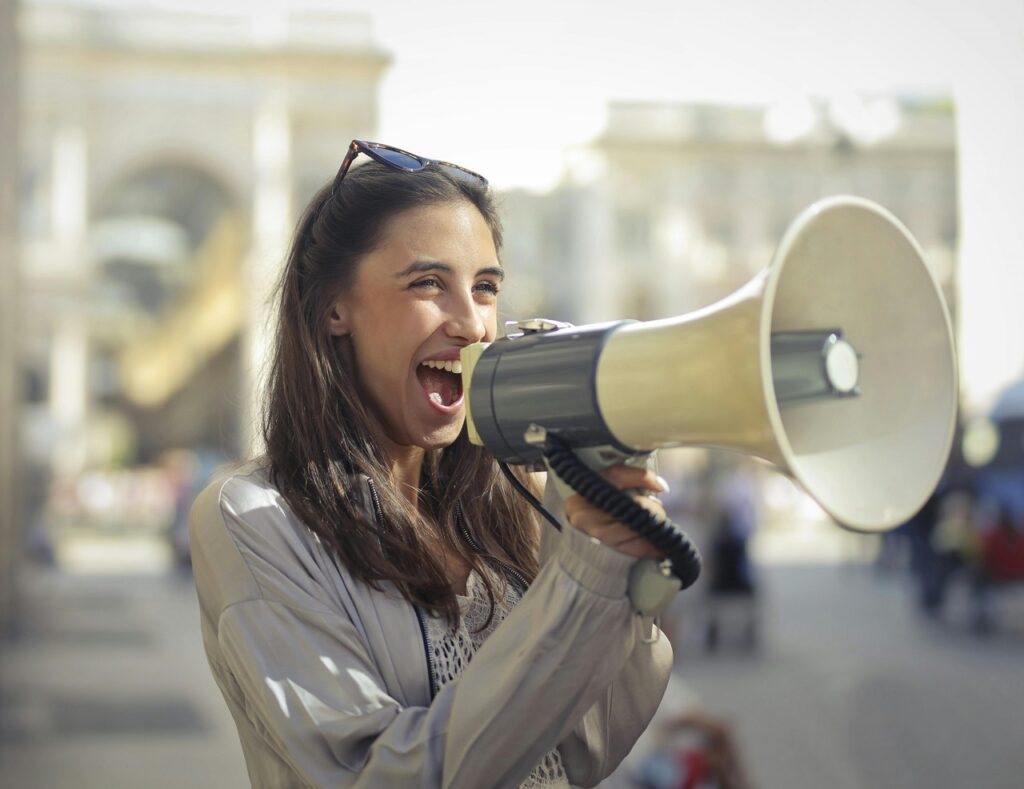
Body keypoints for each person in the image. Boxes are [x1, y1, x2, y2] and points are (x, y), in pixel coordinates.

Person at [189, 140, 674, 788]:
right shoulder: (254, 519)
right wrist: (581, 586)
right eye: (428, 283)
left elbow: (583, 749)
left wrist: (618, 574)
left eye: (485, 288)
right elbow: (379, 775)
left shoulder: (516, 499)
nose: (473, 324)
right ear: (335, 306)